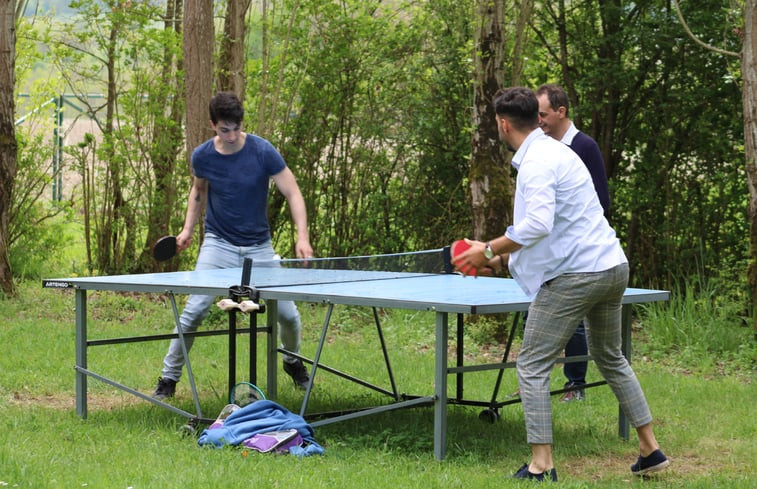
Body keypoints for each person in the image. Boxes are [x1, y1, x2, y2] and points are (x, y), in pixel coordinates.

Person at [452, 87, 668, 481]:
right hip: (611, 267)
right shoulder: (558, 152)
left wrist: (485, 249)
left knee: (532, 365)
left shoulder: (536, 161)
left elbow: (536, 225)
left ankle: (541, 464)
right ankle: (650, 448)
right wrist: (500, 260)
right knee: (611, 357)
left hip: (578, 276)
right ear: (536, 118)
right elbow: (558, 228)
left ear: (503, 124)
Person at [152, 91, 314, 400]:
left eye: (236, 128)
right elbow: (198, 191)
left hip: (260, 248)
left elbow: (292, 192)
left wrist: (302, 236)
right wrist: (187, 230)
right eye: (225, 129)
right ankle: (168, 379)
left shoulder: (262, 151)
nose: (232, 135)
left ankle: (292, 362)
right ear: (212, 124)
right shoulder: (202, 156)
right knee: (194, 310)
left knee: (289, 317)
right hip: (219, 244)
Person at [534, 83, 611, 402]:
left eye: (543, 114)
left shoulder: (585, 146)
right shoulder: (541, 146)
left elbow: (601, 202)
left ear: (561, 111)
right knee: (535, 311)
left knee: (576, 321)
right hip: (548, 251)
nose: (538, 121)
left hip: (580, 253)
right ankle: (535, 383)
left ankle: (575, 385)